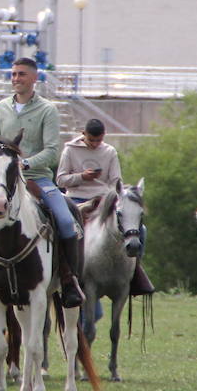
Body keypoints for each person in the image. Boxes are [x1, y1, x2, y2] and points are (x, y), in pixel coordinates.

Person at [0, 57, 84, 308]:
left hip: (37, 178)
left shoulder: (47, 110)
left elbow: (52, 151)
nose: (15, 79)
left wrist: (25, 164)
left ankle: (69, 280)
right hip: (2, 182)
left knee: (66, 221)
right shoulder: (0, 108)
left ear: (35, 78)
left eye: (21, 74)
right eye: (13, 74)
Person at [56, 118, 154, 297]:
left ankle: (134, 271)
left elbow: (116, 182)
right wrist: (81, 177)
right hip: (76, 199)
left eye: (98, 140)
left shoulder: (109, 152)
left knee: (140, 229)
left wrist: (111, 193)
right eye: (91, 140)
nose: (95, 144)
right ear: (83, 134)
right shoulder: (70, 150)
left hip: (103, 200)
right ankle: (65, 272)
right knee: (63, 229)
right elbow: (60, 179)